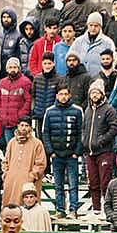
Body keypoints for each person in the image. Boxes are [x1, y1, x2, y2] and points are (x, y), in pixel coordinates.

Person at [41, 84, 84, 219]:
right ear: (56, 96)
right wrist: (50, 151)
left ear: (70, 95)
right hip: (56, 155)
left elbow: (81, 132)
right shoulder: (49, 111)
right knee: (58, 185)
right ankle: (60, 210)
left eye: (66, 94)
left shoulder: (77, 111)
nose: (63, 97)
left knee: (73, 184)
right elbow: (45, 133)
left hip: (71, 155)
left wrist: (77, 152)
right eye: (61, 94)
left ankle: (73, 210)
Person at [81, 80, 117, 216]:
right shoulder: (88, 110)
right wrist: (84, 142)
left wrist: (102, 140)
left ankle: (108, 210)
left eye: (97, 92)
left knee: (105, 183)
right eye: (92, 93)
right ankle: (96, 210)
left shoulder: (109, 110)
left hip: (104, 151)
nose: (95, 95)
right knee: (93, 183)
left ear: (102, 94)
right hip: (90, 152)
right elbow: (84, 128)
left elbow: (114, 128)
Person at [2, 116, 46, 207]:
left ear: (30, 127)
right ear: (18, 126)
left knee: (28, 208)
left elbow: (41, 163)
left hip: (29, 182)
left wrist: (31, 176)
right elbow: (5, 161)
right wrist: (6, 174)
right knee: (10, 209)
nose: (24, 128)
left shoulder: (37, 143)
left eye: (26, 125)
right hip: (11, 181)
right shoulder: (12, 142)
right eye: (22, 125)